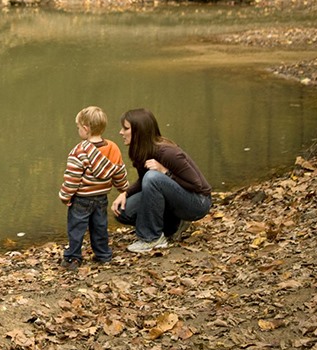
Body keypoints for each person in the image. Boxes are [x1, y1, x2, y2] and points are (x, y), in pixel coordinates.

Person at [111, 108, 212, 253]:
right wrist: (125, 193)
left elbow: (197, 185)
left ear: (139, 131)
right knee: (123, 211)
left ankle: (152, 239)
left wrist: (165, 172)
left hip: (198, 202)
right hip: (176, 196)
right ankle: (171, 227)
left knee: (153, 177)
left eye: (126, 128)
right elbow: (143, 181)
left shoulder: (168, 152)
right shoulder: (141, 150)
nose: (121, 132)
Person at [59, 106, 129, 269]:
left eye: (78, 128)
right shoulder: (112, 147)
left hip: (82, 199)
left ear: (85, 128)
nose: (78, 131)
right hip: (101, 198)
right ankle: (103, 254)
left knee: (76, 228)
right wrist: (123, 189)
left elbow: (72, 178)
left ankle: (73, 258)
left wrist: (65, 196)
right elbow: (119, 171)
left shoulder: (79, 151)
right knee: (99, 226)